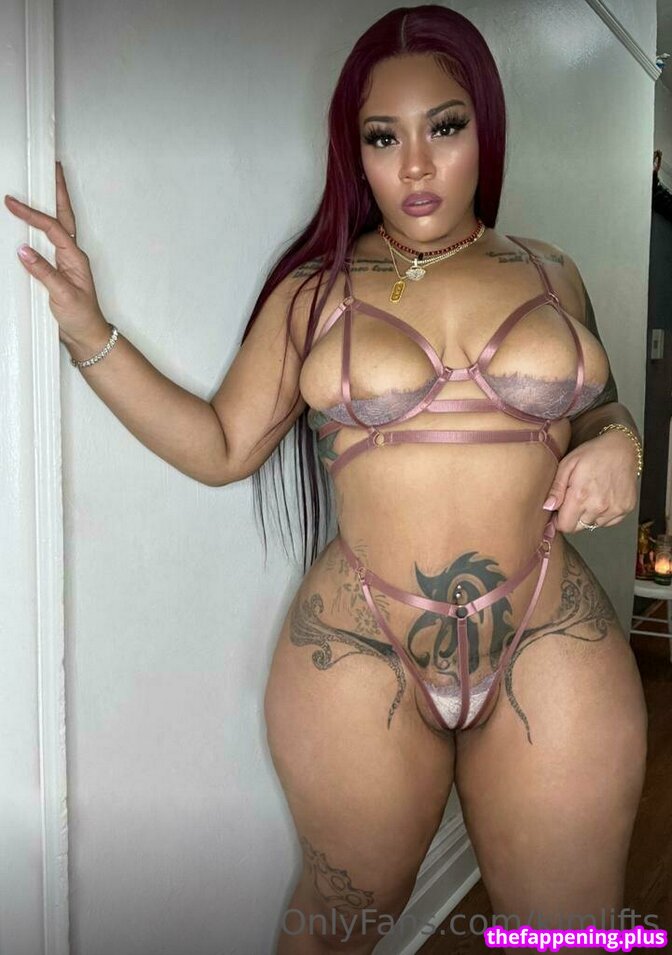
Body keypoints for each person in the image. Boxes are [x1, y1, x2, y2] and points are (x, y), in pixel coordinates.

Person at [4, 5, 648, 953]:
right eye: (384, 138)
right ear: (356, 150)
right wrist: (86, 328)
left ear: (486, 126)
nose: (416, 165)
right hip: (359, 648)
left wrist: (620, 444)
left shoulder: (551, 272)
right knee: (336, 930)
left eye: (445, 127)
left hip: (549, 636)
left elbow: (600, 410)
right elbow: (222, 444)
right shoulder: (315, 292)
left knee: (572, 936)